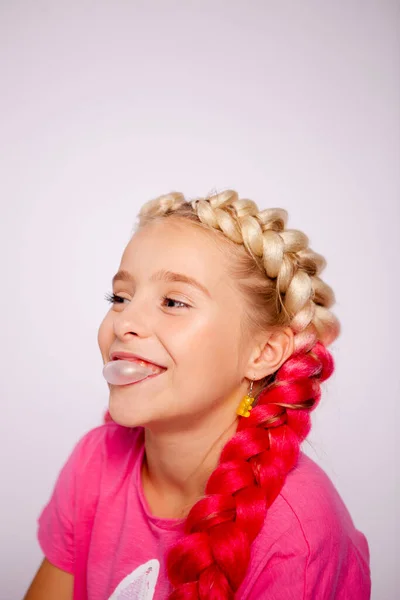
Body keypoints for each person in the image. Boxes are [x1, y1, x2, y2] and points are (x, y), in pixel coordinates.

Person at [24, 190, 371, 600]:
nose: (125, 322)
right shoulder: (95, 463)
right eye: (120, 298)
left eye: (173, 302)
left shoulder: (299, 533)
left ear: (263, 353)